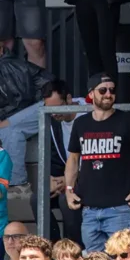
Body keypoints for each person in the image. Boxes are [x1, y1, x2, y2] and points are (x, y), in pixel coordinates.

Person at [66, 75, 130, 253]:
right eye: (103, 90)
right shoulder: (80, 124)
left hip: (120, 209)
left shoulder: (128, 121)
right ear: (91, 94)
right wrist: (69, 190)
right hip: (89, 210)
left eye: (112, 90)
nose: (109, 94)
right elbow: (73, 159)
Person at [0, 50, 51, 200]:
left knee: (10, 129)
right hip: (23, 110)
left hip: (45, 104)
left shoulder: (10, 66)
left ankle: (18, 186)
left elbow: (20, 101)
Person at [42, 81, 84, 244]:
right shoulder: (52, 121)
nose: (54, 114)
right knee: (37, 198)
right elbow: (54, 159)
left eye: (57, 107)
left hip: (89, 179)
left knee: (64, 200)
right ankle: (52, 249)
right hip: (67, 178)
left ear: (69, 98)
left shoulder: (87, 114)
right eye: (49, 109)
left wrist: (69, 180)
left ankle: (73, 249)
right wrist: (52, 180)